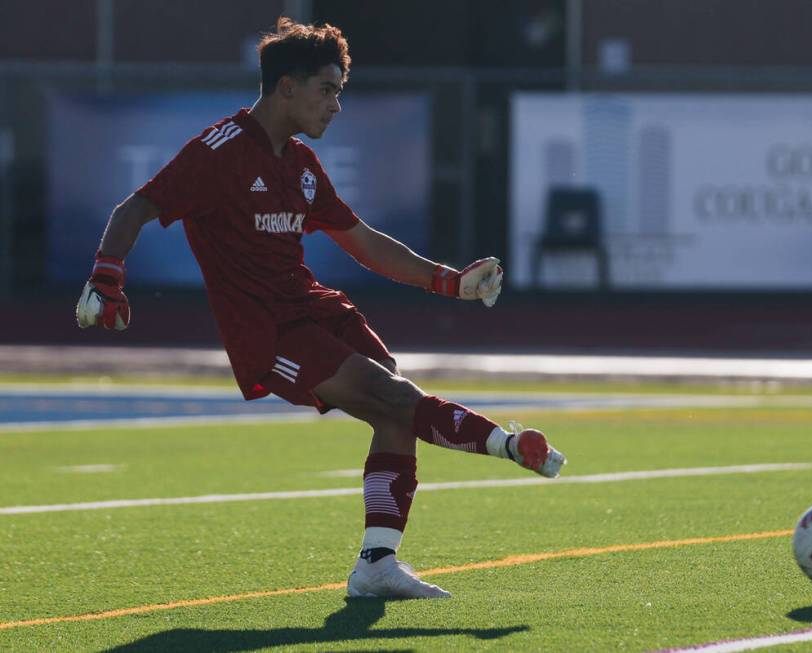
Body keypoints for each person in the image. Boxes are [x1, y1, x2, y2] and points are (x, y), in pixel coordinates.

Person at [75, 17, 565, 599]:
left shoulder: (302, 164)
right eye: (327, 90)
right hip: (268, 332)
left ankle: (377, 564)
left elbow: (361, 240)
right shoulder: (220, 151)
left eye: (340, 91)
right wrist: (106, 279)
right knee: (395, 400)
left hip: (316, 308)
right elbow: (134, 209)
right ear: (286, 87)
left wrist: (449, 282)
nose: (336, 104)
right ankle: (510, 445)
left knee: (395, 406)